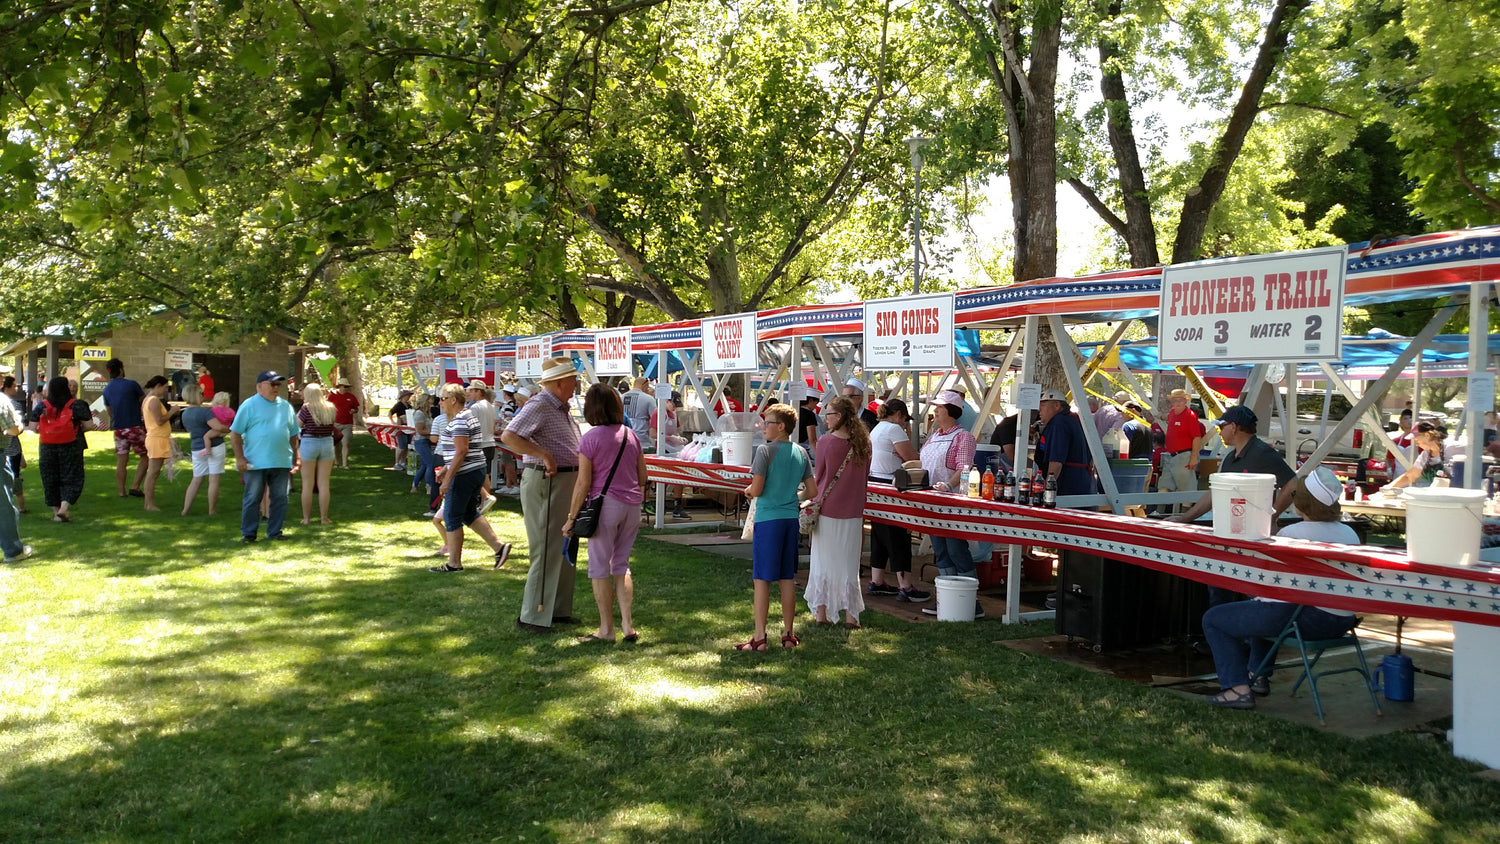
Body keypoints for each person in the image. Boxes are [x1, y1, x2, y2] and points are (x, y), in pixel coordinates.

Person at [1199, 466, 1360, 709]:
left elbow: (1271, 586)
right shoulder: (1350, 534)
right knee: (1259, 606)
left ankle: (1237, 689)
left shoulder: (1293, 533)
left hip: (1308, 620)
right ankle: (1258, 674)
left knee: (1215, 618)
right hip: (1342, 620)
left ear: (1302, 503)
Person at [1172, 404, 1299, 608]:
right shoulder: (1231, 457)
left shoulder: (1262, 453)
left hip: (1253, 541)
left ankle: (1249, 636)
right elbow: (1215, 494)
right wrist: (1184, 519)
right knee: (1220, 588)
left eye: (1222, 426)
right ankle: (1228, 629)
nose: (1220, 431)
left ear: (1234, 427)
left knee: (1252, 593)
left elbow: (1292, 484)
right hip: (1230, 539)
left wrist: (1271, 514)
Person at [501, 358, 583, 633]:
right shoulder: (540, 404)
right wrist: (543, 454)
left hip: (565, 480)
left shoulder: (560, 408)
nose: (576, 383)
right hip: (548, 481)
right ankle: (533, 615)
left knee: (564, 544)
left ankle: (557, 610)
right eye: (573, 379)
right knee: (547, 547)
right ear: (560, 382)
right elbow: (509, 437)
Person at [564, 384, 647, 644]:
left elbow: (583, 483)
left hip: (604, 506)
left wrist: (571, 518)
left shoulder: (590, 438)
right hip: (632, 506)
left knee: (599, 567)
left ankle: (606, 629)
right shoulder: (631, 435)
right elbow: (643, 476)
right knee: (621, 565)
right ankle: (628, 626)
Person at [736, 403, 814, 651]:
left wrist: (748, 490)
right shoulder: (801, 452)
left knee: (761, 579)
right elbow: (812, 491)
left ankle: (759, 637)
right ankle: (789, 634)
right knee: (786, 577)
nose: (763, 428)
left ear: (781, 426)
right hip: (790, 519)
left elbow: (756, 489)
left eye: (767, 423)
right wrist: (793, 497)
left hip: (767, 519)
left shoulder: (764, 451)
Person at [429, 383, 511, 572]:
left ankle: (454, 563)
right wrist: (446, 469)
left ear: (453, 400)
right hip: (474, 470)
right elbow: (464, 450)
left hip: (464, 474)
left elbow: (462, 451)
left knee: (451, 517)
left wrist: (448, 478)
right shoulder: (467, 416)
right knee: (468, 513)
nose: (440, 403)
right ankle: (499, 547)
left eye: (442, 399)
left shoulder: (459, 420)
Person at [805, 396, 873, 629]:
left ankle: (822, 614)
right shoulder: (864, 442)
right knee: (849, 564)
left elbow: (819, 476)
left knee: (823, 562)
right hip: (854, 509)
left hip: (828, 508)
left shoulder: (826, 442)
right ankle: (851, 616)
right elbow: (865, 476)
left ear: (840, 416)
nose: (825, 418)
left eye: (829, 413)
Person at [866, 399, 929, 602]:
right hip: (891, 484)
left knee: (879, 533)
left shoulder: (877, 428)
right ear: (900, 415)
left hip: (874, 483)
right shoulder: (894, 429)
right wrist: (909, 438)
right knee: (898, 535)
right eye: (905, 420)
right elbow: (912, 458)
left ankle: (877, 580)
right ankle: (906, 585)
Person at [231, 371, 300, 543]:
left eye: (278, 384)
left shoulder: (286, 406)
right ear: (259, 386)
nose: (276, 388)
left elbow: (293, 434)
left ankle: (275, 532)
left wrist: (296, 457)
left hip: (281, 460)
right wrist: (240, 458)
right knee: (252, 498)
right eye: (272, 384)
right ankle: (249, 534)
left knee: (280, 499)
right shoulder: (249, 405)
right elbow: (235, 434)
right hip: (255, 462)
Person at [29, 376, 91, 523]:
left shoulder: (42, 406)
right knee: (71, 475)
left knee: (50, 477)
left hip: (47, 446)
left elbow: (32, 427)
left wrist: (48, 429)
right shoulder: (77, 405)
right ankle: (64, 508)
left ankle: (56, 513)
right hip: (71, 445)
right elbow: (89, 425)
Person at [180, 384, 230, 516]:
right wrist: (230, 428)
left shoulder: (184, 414)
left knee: (196, 479)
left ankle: (185, 510)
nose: (203, 395)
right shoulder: (205, 412)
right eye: (201, 393)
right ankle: (212, 510)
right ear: (197, 395)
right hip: (215, 446)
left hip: (197, 447)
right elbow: (218, 427)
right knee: (214, 479)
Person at [102, 358, 148, 498]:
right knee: (146, 455)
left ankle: (121, 492)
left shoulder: (107, 389)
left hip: (118, 428)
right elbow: (145, 401)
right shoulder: (131, 384)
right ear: (121, 369)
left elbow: (109, 412)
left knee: (121, 461)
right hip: (134, 426)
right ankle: (135, 486)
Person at [1036, 389, 1093, 498]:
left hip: (1067, 484)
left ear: (1057, 405)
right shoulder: (1071, 420)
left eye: (1042, 405)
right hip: (1080, 481)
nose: (1039, 410)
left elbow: (1056, 461)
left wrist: (1048, 489)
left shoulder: (1059, 423)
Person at [296, 383, 338, 525]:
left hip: (309, 443)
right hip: (327, 443)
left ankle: (306, 518)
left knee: (307, 483)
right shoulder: (330, 408)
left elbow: (298, 425)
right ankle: (324, 518)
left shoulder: (306, 408)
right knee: (324, 483)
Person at [1157, 388, 1205, 510]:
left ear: (1185, 401)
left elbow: (1196, 437)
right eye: (1175, 400)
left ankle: (1184, 515)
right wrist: (1160, 416)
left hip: (1184, 456)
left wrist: (1193, 458)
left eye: (1180, 400)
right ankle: (1158, 513)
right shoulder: (1172, 412)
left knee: (1186, 489)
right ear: (1172, 402)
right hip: (1171, 455)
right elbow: (1168, 417)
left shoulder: (1190, 416)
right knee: (1164, 485)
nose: (1177, 403)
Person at [0, 387, 32, 563]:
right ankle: (13, 550)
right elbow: (12, 430)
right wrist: (19, 422)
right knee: (3, 506)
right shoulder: (2, 401)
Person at [140, 375, 180, 512]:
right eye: (164, 388)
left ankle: (149, 503)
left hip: (158, 438)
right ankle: (149, 504)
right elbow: (159, 420)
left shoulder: (148, 399)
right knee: (153, 472)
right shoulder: (153, 400)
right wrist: (172, 412)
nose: (164, 391)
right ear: (158, 386)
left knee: (154, 472)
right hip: (156, 438)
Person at [464, 380, 498, 515]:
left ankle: (484, 498)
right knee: (485, 474)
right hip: (490, 443)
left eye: (471, 391)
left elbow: (471, 427)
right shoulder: (490, 406)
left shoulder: (475, 408)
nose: (469, 393)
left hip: (480, 444)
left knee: (476, 474)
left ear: (479, 391)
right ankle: (485, 500)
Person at [1382, 420, 1447, 490]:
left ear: (1427, 436)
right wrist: (1389, 487)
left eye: (1417, 440)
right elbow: (1410, 476)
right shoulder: (1425, 455)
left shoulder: (1451, 448)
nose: (1416, 444)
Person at [3, 377, 28, 515]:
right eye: (14, 386)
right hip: (12, 450)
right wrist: (21, 426)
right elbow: (17, 429)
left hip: (8, 448)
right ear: (7, 388)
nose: (17, 388)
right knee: (15, 477)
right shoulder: (14, 405)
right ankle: (20, 507)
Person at [327, 377, 361, 469]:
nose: (346, 388)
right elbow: (327, 407)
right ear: (340, 387)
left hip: (347, 424)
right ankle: (336, 463)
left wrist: (354, 410)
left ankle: (345, 464)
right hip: (335, 423)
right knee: (335, 444)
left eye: (347, 387)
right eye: (344, 386)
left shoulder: (351, 397)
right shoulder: (333, 396)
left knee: (346, 443)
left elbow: (356, 408)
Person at [408, 392, 436, 498]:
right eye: (429, 403)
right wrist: (433, 432)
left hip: (426, 441)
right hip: (421, 441)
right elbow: (420, 430)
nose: (431, 405)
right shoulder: (419, 413)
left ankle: (415, 485)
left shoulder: (427, 414)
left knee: (424, 465)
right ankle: (429, 486)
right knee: (430, 464)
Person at [620, 376, 656, 441]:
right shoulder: (649, 399)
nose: (648, 389)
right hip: (642, 436)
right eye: (647, 387)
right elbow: (654, 418)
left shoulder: (622, 397)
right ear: (644, 385)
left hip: (624, 435)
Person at [389, 389, 413, 472]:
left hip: (408, 426)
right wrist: (393, 422)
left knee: (406, 445)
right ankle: (397, 462)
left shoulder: (409, 405)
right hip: (401, 427)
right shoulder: (398, 405)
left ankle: (403, 462)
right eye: (408, 395)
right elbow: (391, 412)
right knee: (401, 445)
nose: (409, 397)